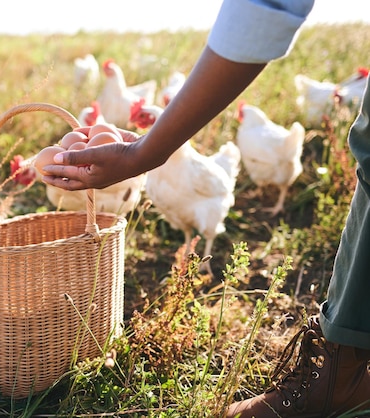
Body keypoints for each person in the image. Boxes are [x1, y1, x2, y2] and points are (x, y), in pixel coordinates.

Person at [43, 0, 370, 416]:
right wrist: (145, 151)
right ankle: (349, 369)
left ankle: (341, 375)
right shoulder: (164, 175)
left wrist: (144, 151)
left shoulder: (194, 169)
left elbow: (263, 10)